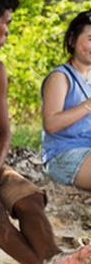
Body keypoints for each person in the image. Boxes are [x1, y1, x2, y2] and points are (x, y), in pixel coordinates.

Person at [0, 0, 91, 264]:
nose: (8, 31)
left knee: (29, 198)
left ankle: (53, 258)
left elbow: (3, 129)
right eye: (7, 22)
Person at [41, 11, 91, 192]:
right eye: (90, 38)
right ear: (72, 40)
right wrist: (88, 105)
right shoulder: (60, 77)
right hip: (63, 155)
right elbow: (51, 124)